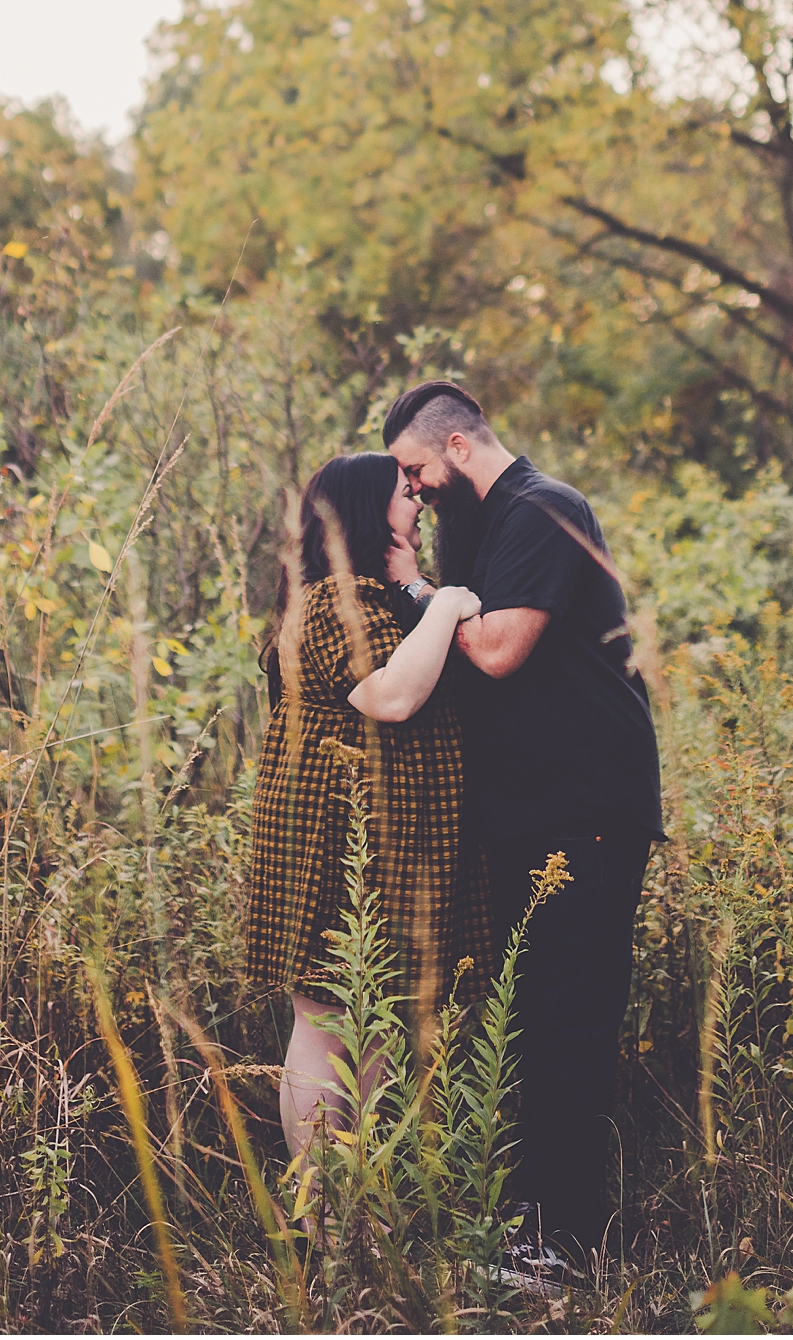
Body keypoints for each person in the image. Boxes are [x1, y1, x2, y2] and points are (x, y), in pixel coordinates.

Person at [382, 380, 665, 1281]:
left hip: (582, 810)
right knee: (523, 1024)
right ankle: (531, 1229)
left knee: (565, 1022)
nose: (413, 488)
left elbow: (497, 647)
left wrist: (415, 586)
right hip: (525, 815)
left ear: (458, 447)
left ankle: (566, 1248)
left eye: (416, 470)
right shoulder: (483, 527)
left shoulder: (546, 509)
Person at [245, 450, 490, 1179]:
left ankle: (367, 1207)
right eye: (402, 492)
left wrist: (420, 590)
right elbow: (388, 696)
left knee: (383, 1019)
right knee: (327, 1019)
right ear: (363, 510)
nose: (416, 500)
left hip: (384, 844)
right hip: (337, 843)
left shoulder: (369, 598)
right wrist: (445, 603)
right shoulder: (330, 602)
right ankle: (325, 1215)